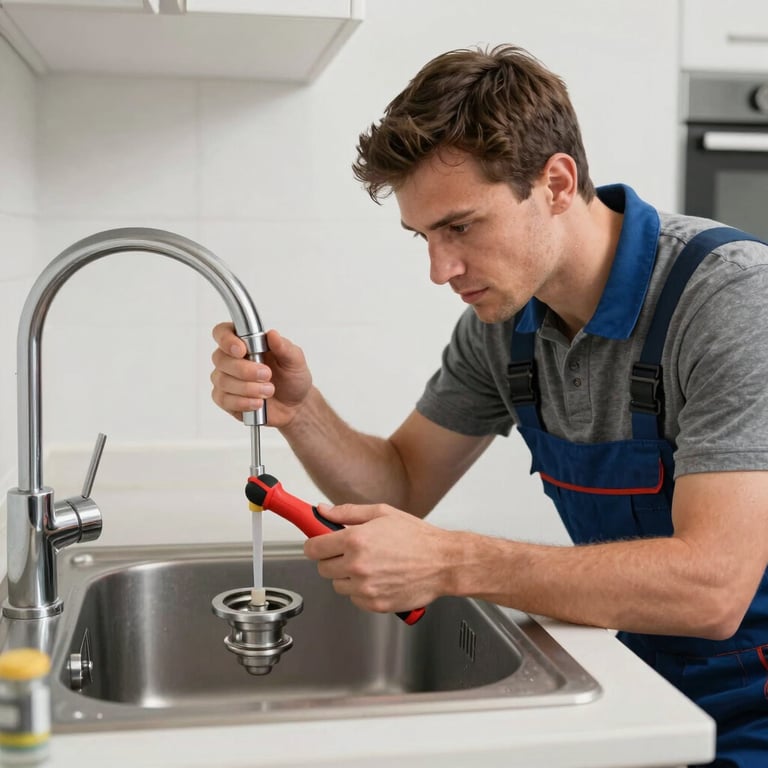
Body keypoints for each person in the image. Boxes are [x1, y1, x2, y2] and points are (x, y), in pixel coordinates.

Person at [210, 45, 768, 767]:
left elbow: (712, 589)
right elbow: (402, 485)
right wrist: (302, 409)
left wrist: (452, 561)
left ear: (557, 182)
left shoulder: (729, 300)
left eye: (461, 227)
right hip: (640, 681)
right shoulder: (504, 328)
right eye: (426, 237)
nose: (440, 270)